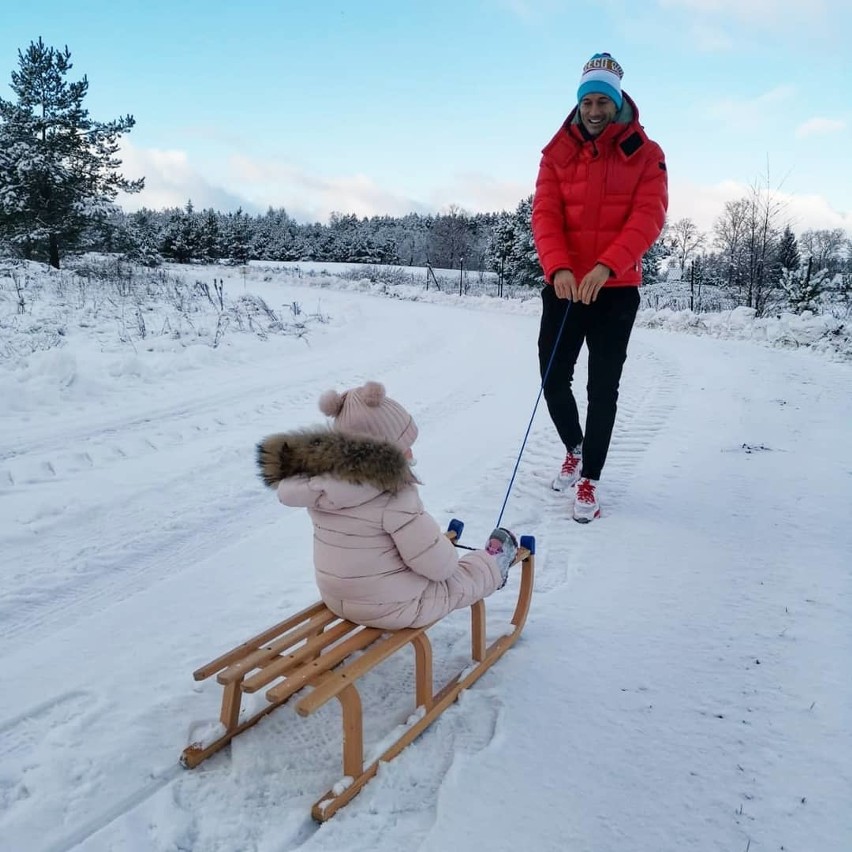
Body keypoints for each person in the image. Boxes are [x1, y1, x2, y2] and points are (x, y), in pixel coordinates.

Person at [256, 381, 518, 630]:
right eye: (403, 448)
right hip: (393, 608)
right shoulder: (394, 495)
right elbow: (440, 568)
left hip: (336, 598)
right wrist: (442, 553)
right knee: (457, 581)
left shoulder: (320, 485)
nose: (411, 454)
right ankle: (494, 565)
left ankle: (428, 549)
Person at [532, 51, 668, 523]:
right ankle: (575, 444)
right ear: (578, 103)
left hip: (615, 289)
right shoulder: (556, 152)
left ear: (617, 104)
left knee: (602, 388)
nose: (594, 111)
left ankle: (589, 478)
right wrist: (559, 268)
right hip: (566, 286)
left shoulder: (646, 154)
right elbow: (544, 214)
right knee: (552, 378)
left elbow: (648, 216)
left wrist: (607, 266)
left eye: (602, 102)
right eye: (587, 101)